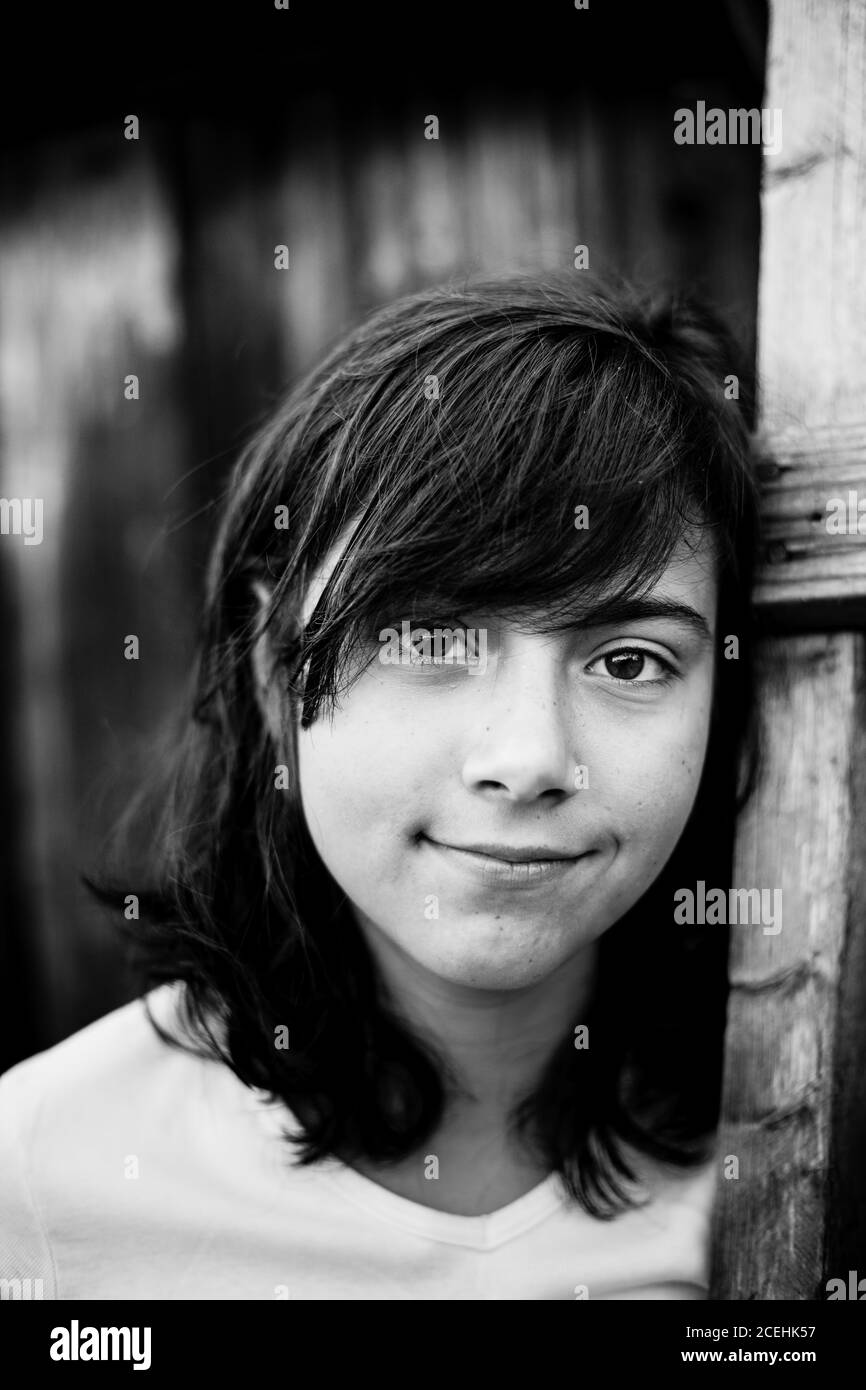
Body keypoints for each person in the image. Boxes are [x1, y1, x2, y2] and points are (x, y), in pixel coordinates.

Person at [0, 274, 761, 1300]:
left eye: (628, 661)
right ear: (276, 672)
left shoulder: (797, 1156)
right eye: (431, 636)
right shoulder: (46, 1179)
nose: (531, 757)